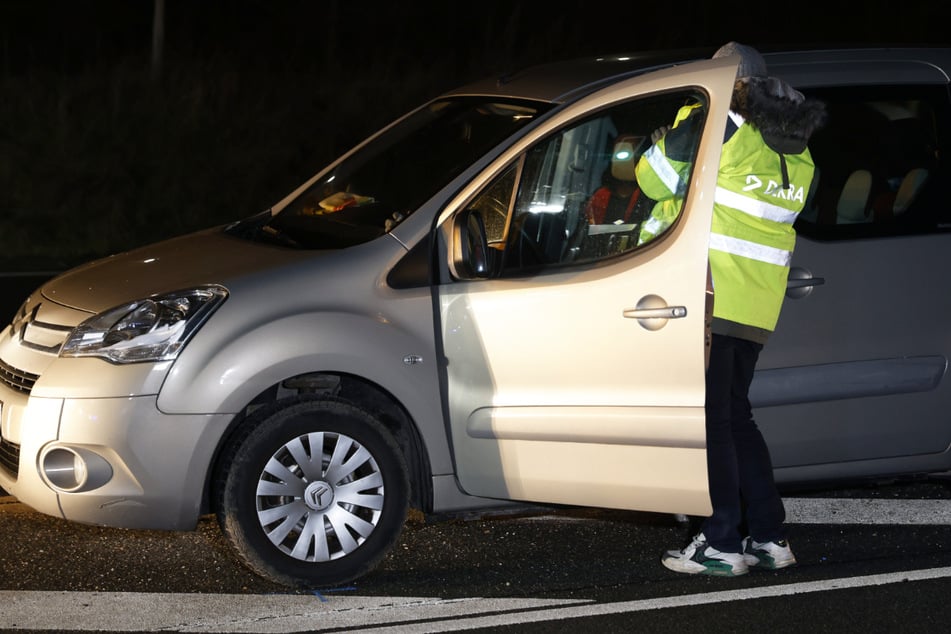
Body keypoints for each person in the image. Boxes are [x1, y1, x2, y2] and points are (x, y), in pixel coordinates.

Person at [636, 42, 827, 576]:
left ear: (724, 80)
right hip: (757, 306)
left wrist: (670, 136)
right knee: (736, 418)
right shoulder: (797, 144)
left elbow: (653, 181)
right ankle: (769, 537)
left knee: (713, 424)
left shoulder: (716, 123)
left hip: (711, 296)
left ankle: (720, 541)